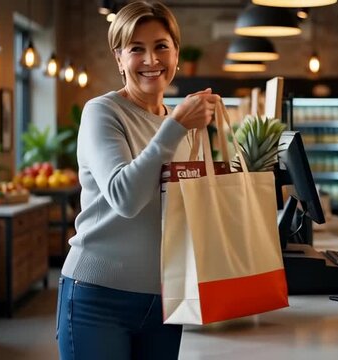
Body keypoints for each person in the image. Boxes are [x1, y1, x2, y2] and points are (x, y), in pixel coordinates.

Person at [56, 2, 220, 359]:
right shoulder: (103, 112)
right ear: (119, 58)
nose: (151, 59)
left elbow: (182, 208)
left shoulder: (183, 124)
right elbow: (125, 197)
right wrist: (174, 127)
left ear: (176, 53)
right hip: (97, 297)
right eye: (136, 49)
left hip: (164, 299)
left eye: (161, 46)